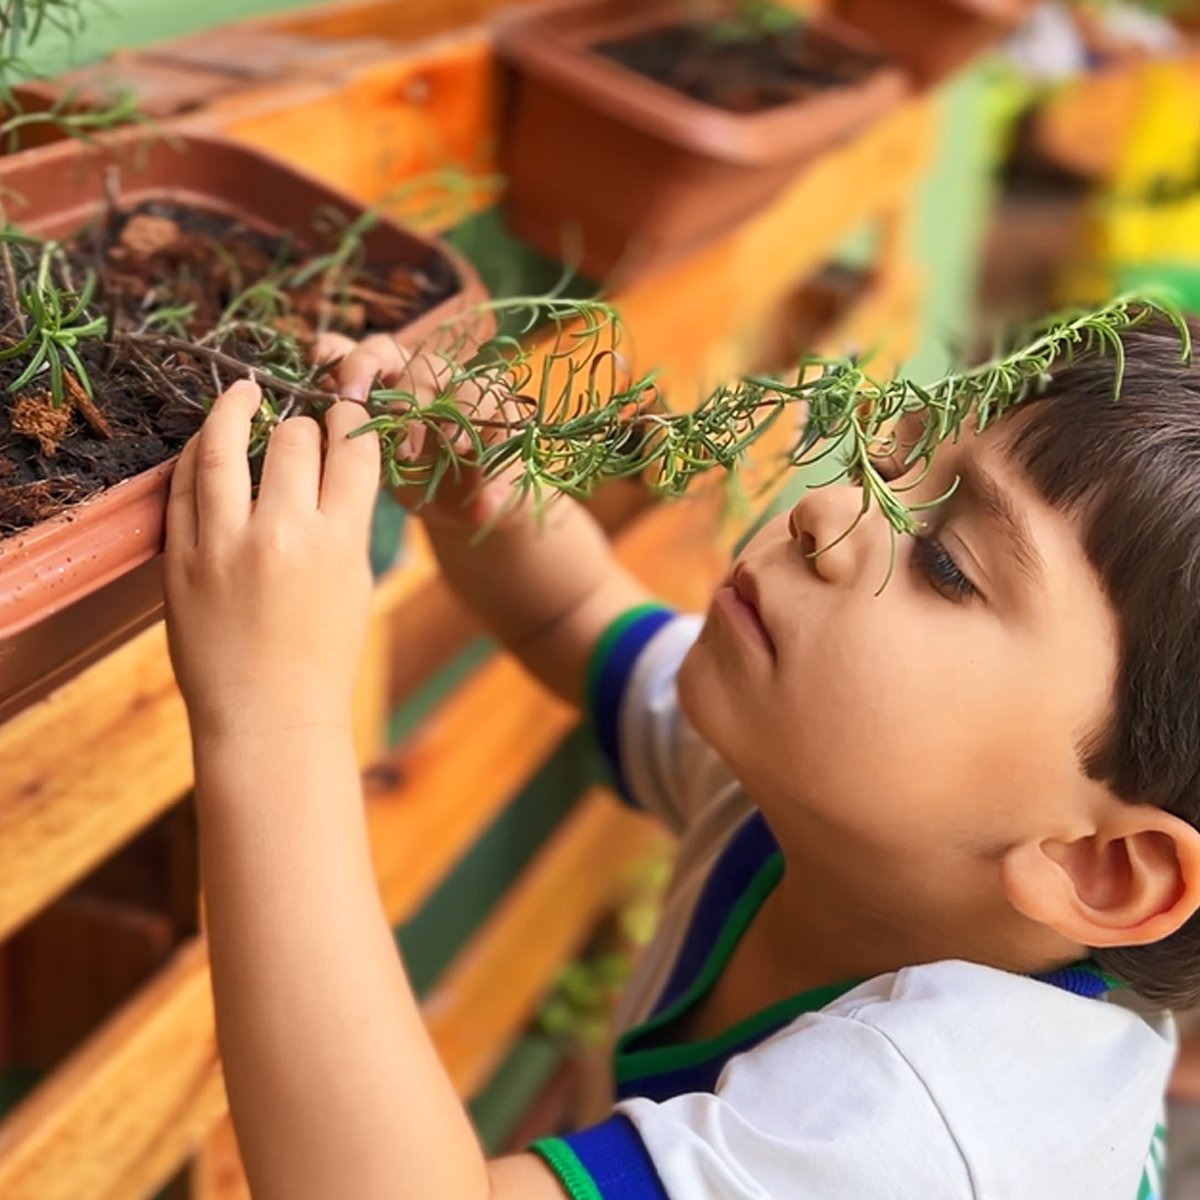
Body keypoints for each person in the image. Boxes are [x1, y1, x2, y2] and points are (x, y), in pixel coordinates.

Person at [162, 314, 1200, 1200]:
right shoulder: (821, 804)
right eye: (889, 466)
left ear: (1098, 868)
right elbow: (577, 613)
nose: (828, 515)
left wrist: (273, 715)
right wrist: (488, 500)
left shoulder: (923, 1130)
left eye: (943, 562)